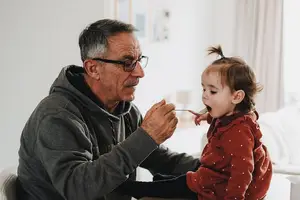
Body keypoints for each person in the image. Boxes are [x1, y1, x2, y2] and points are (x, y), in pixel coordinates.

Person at [16, 19, 201, 200]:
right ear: (93, 68)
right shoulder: (56, 115)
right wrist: (146, 137)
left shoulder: (126, 110)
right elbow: (78, 189)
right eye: (127, 63)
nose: (139, 73)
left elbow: (159, 159)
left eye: (139, 60)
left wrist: (213, 166)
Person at [119, 45, 273, 200]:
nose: (205, 96)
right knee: (182, 182)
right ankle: (161, 183)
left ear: (237, 97)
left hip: (219, 186)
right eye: (203, 89)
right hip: (214, 178)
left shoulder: (240, 132)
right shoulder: (236, 116)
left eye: (212, 91)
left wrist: (234, 198)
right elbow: (226, 122)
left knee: (184, 184)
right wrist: (208, 117)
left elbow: (243, 171)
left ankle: (135, 188)